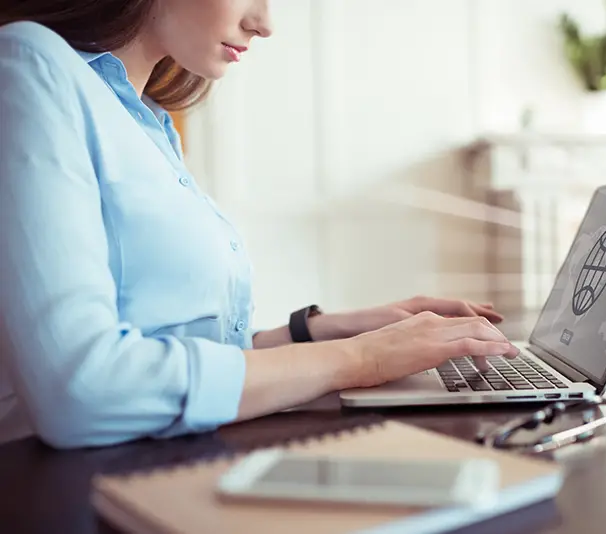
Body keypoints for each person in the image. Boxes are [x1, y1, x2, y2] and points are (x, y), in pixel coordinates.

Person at [0, 0, 519, 449]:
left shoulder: (149, 123)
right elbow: (83, 390)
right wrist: (363, 358)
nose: (264, 22)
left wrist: (319, 331)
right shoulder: (29, 66)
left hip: (166, 461)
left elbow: (179, 349)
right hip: (70, 489)